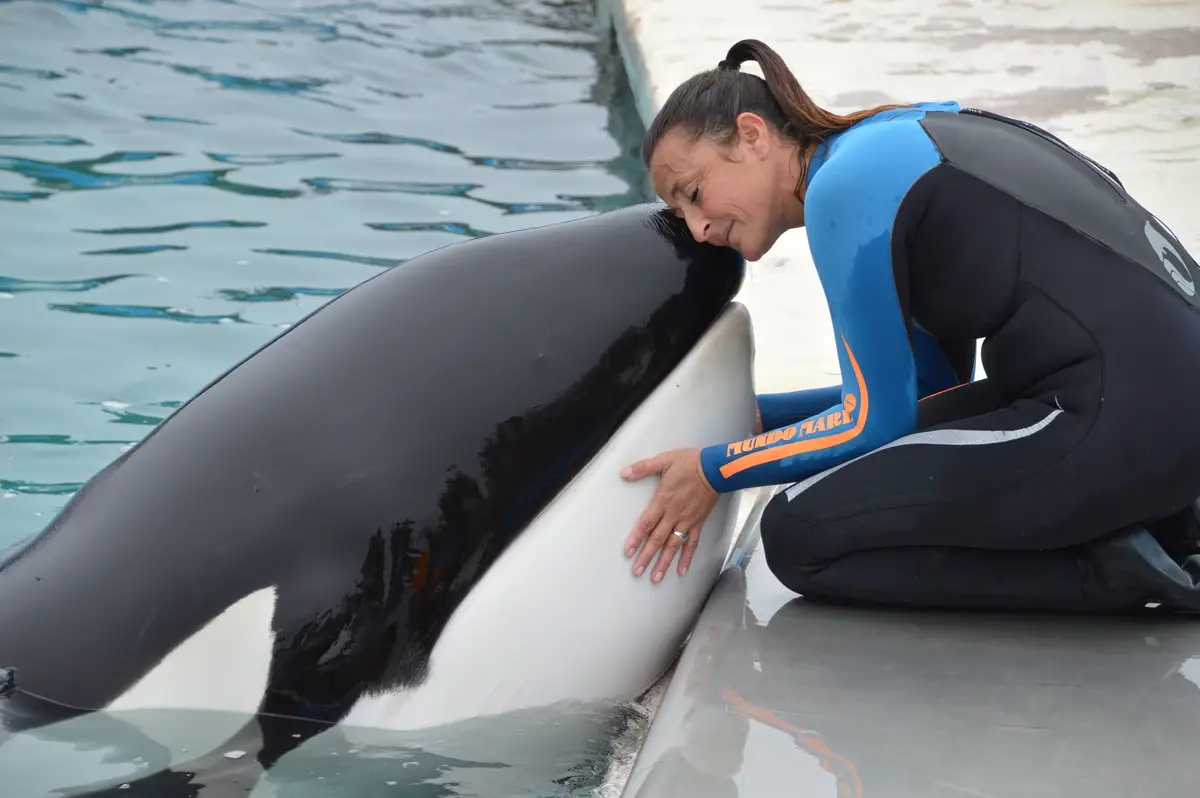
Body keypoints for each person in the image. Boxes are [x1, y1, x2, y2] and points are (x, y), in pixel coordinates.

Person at [619, 38, 1200, 613]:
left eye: (694, 194)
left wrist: (715, 471)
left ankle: (1111, 572)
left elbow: (871, 421)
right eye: (682, 215)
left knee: (799, 535)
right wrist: (762, 417)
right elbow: (929, 390)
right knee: (843, 486)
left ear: (752, 135)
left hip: (1117, 416)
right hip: (1154, 410)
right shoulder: (885, 148)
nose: (696, 229)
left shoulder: (842, 190)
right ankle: (1161, 522)